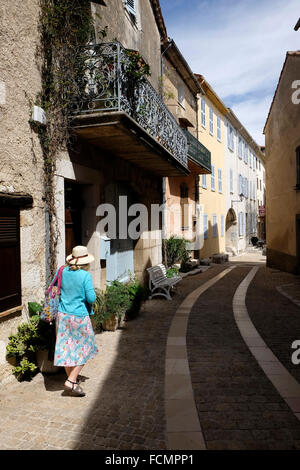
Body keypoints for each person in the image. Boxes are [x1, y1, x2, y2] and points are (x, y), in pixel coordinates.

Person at [53, 245, 98, 396]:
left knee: (66, 349)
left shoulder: (62, 271)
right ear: (85, 261)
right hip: (79, 316)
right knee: (86, 347)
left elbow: (53, 288)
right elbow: (91, 298)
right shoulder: (85, 276)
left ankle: (73, 381)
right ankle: (71, 380)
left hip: (62, 315)